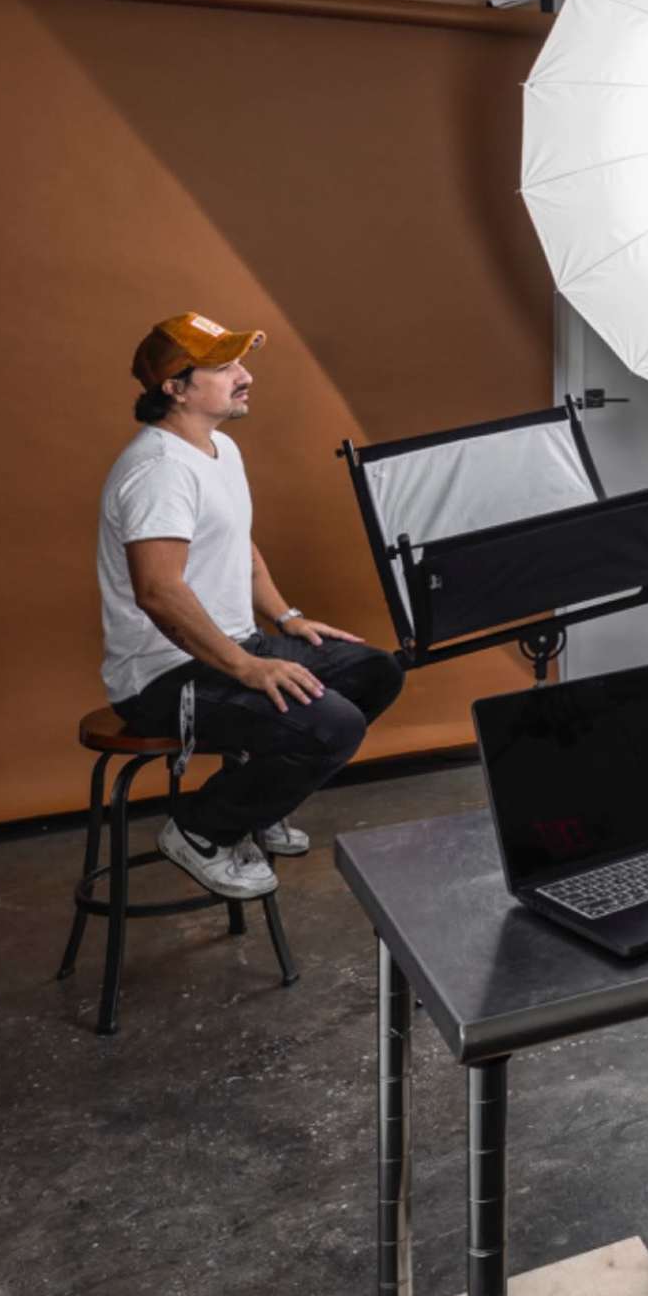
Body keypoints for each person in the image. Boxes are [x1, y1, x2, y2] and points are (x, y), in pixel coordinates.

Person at [97, 312, 404, 902]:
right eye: (224, 367)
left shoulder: (220, 449)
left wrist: (286, 619)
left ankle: (255, 802)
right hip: (163, 678)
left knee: (375, 670)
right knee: (332, 724)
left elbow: (239, 543)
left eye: (241, 363)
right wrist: (247, 668)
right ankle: (201, 829)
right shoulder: (159, 470)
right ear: (175, 387)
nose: (245, 377)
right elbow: (158, 592)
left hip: (235, 645)